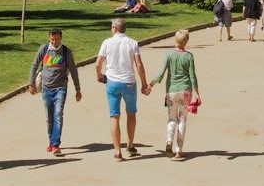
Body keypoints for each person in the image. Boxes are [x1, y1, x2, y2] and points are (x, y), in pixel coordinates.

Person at [95, 18, 150, 161]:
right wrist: (144, 83)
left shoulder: (107, 43)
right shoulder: (132, 43)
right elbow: (139, 64)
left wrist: (99, 76)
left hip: (112, 82)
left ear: (114, 28)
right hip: (129, 83)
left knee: (114, 116)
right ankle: (130, 144)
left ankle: (117, 150)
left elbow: (98, 64)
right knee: (131, 113)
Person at [147, 30, 201, 161]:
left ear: (175, 40)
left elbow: (160, 73)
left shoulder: (169, 54)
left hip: (171, 91)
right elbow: (193, 76)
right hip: (186, 91)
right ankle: (179, 150)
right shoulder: (189, 56)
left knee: (172, 118)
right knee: (182, 119)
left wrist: (150, 85)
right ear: (186, 41)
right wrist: (197, 93)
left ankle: (168, 140)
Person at [28, 28, 82, 156]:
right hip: (46, 88)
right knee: (49, 117)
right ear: (49, 39)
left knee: (58, 114)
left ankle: (56, 144)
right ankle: (51, 142)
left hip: (60, 88)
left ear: (61, 38)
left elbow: (73, 70)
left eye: (56, 39)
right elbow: (34, 65)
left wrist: (78, 89)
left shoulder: (66, 52)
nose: (54, 42)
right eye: (52, 39)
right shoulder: (44, 48)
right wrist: (31, 83)